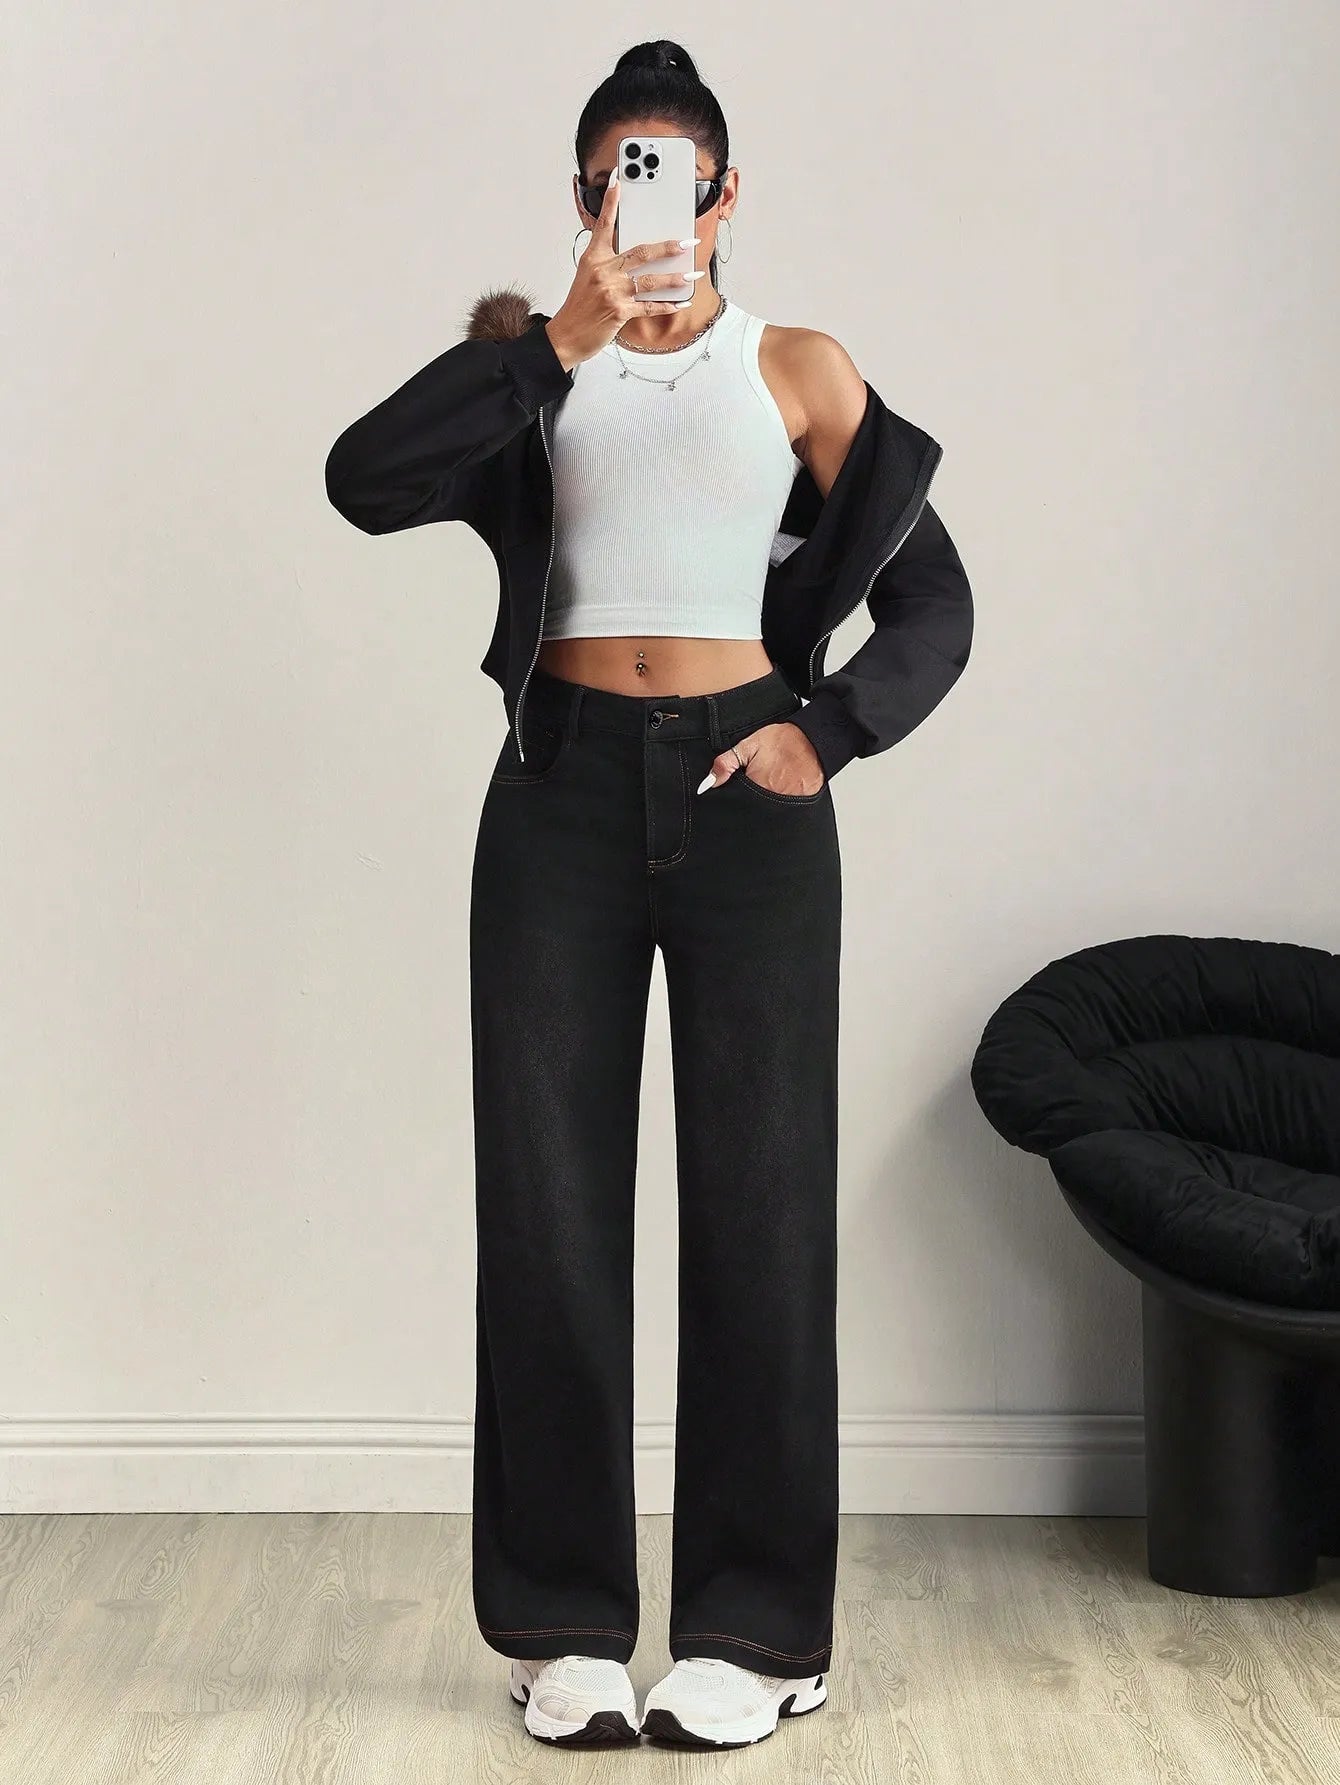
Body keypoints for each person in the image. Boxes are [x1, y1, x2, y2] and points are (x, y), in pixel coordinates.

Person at [325, 38, 973, 1751]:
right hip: (555, 795)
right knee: (547, 1206)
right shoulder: (529, 370)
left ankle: (762, 1632)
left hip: (750, 800)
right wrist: (554, 340)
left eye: (675, 171)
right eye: (621, 172)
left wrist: (825, 731)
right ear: (585, 199)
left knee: (762, 1200)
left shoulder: (797, 368)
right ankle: (561, 1627)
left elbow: (938, 605)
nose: (651, 201)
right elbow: (360, 479)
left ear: (726, 194)